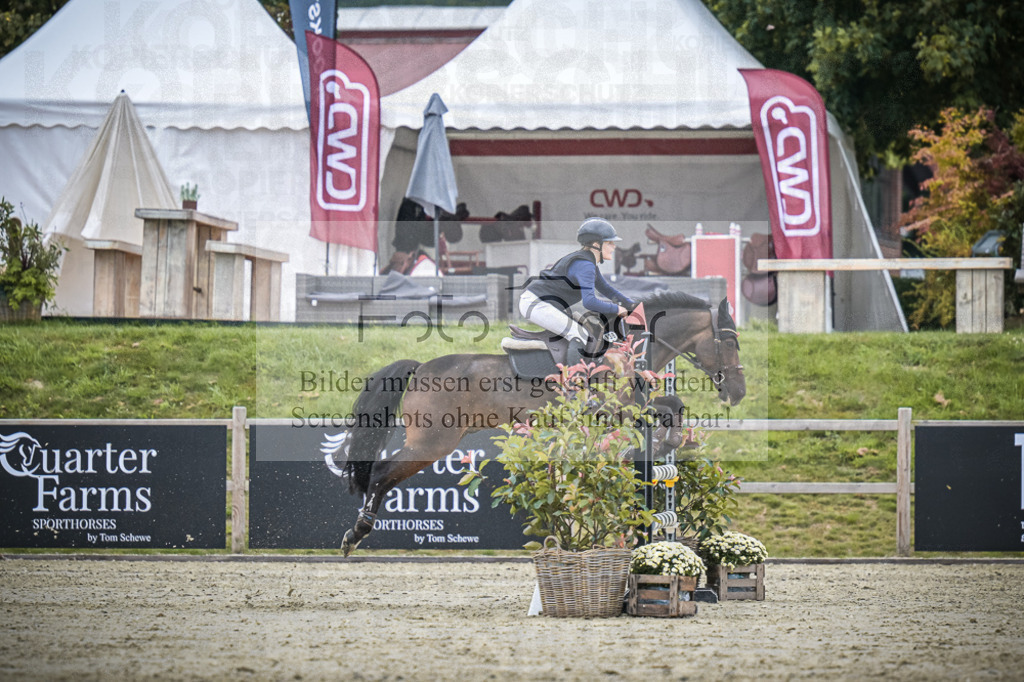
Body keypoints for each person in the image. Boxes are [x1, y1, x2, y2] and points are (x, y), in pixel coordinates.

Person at [519, 217, 635, 365]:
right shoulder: (585, 265)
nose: (614, 246)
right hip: (536, 304)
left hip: (539, 302)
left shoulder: (588, 263)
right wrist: (617, 309)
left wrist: (632, 305)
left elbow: (606, 289)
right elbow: (590, 302)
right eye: (609, 243)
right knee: (580, 336)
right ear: (596, 244)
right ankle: (575, 379)